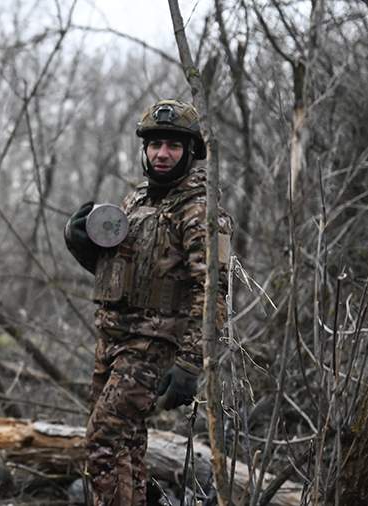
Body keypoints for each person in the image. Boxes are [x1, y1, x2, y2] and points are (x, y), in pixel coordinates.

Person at [65, 99, 232, 506]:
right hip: (113, 340)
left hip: (152, 346)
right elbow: (121, 273)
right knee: (126, 446)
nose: (162, 153)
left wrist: (190, 364)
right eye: (155, 144)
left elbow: (213, 291)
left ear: (190, 151)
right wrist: (82, 243)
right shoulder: (137, 200)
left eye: (173, 146)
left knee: (103, 442)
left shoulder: (200, 209)